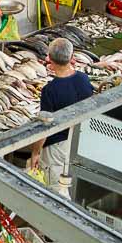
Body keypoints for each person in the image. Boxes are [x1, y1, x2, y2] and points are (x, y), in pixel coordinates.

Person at [28, 38, 93, 191]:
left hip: (57, 148)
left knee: (55, 190)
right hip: (79, 141)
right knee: (71, 186)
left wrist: (35, 153)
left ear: (49, 59)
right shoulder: (84, 79)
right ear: (72, 58)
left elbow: (45, 127)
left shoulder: (50, 90)